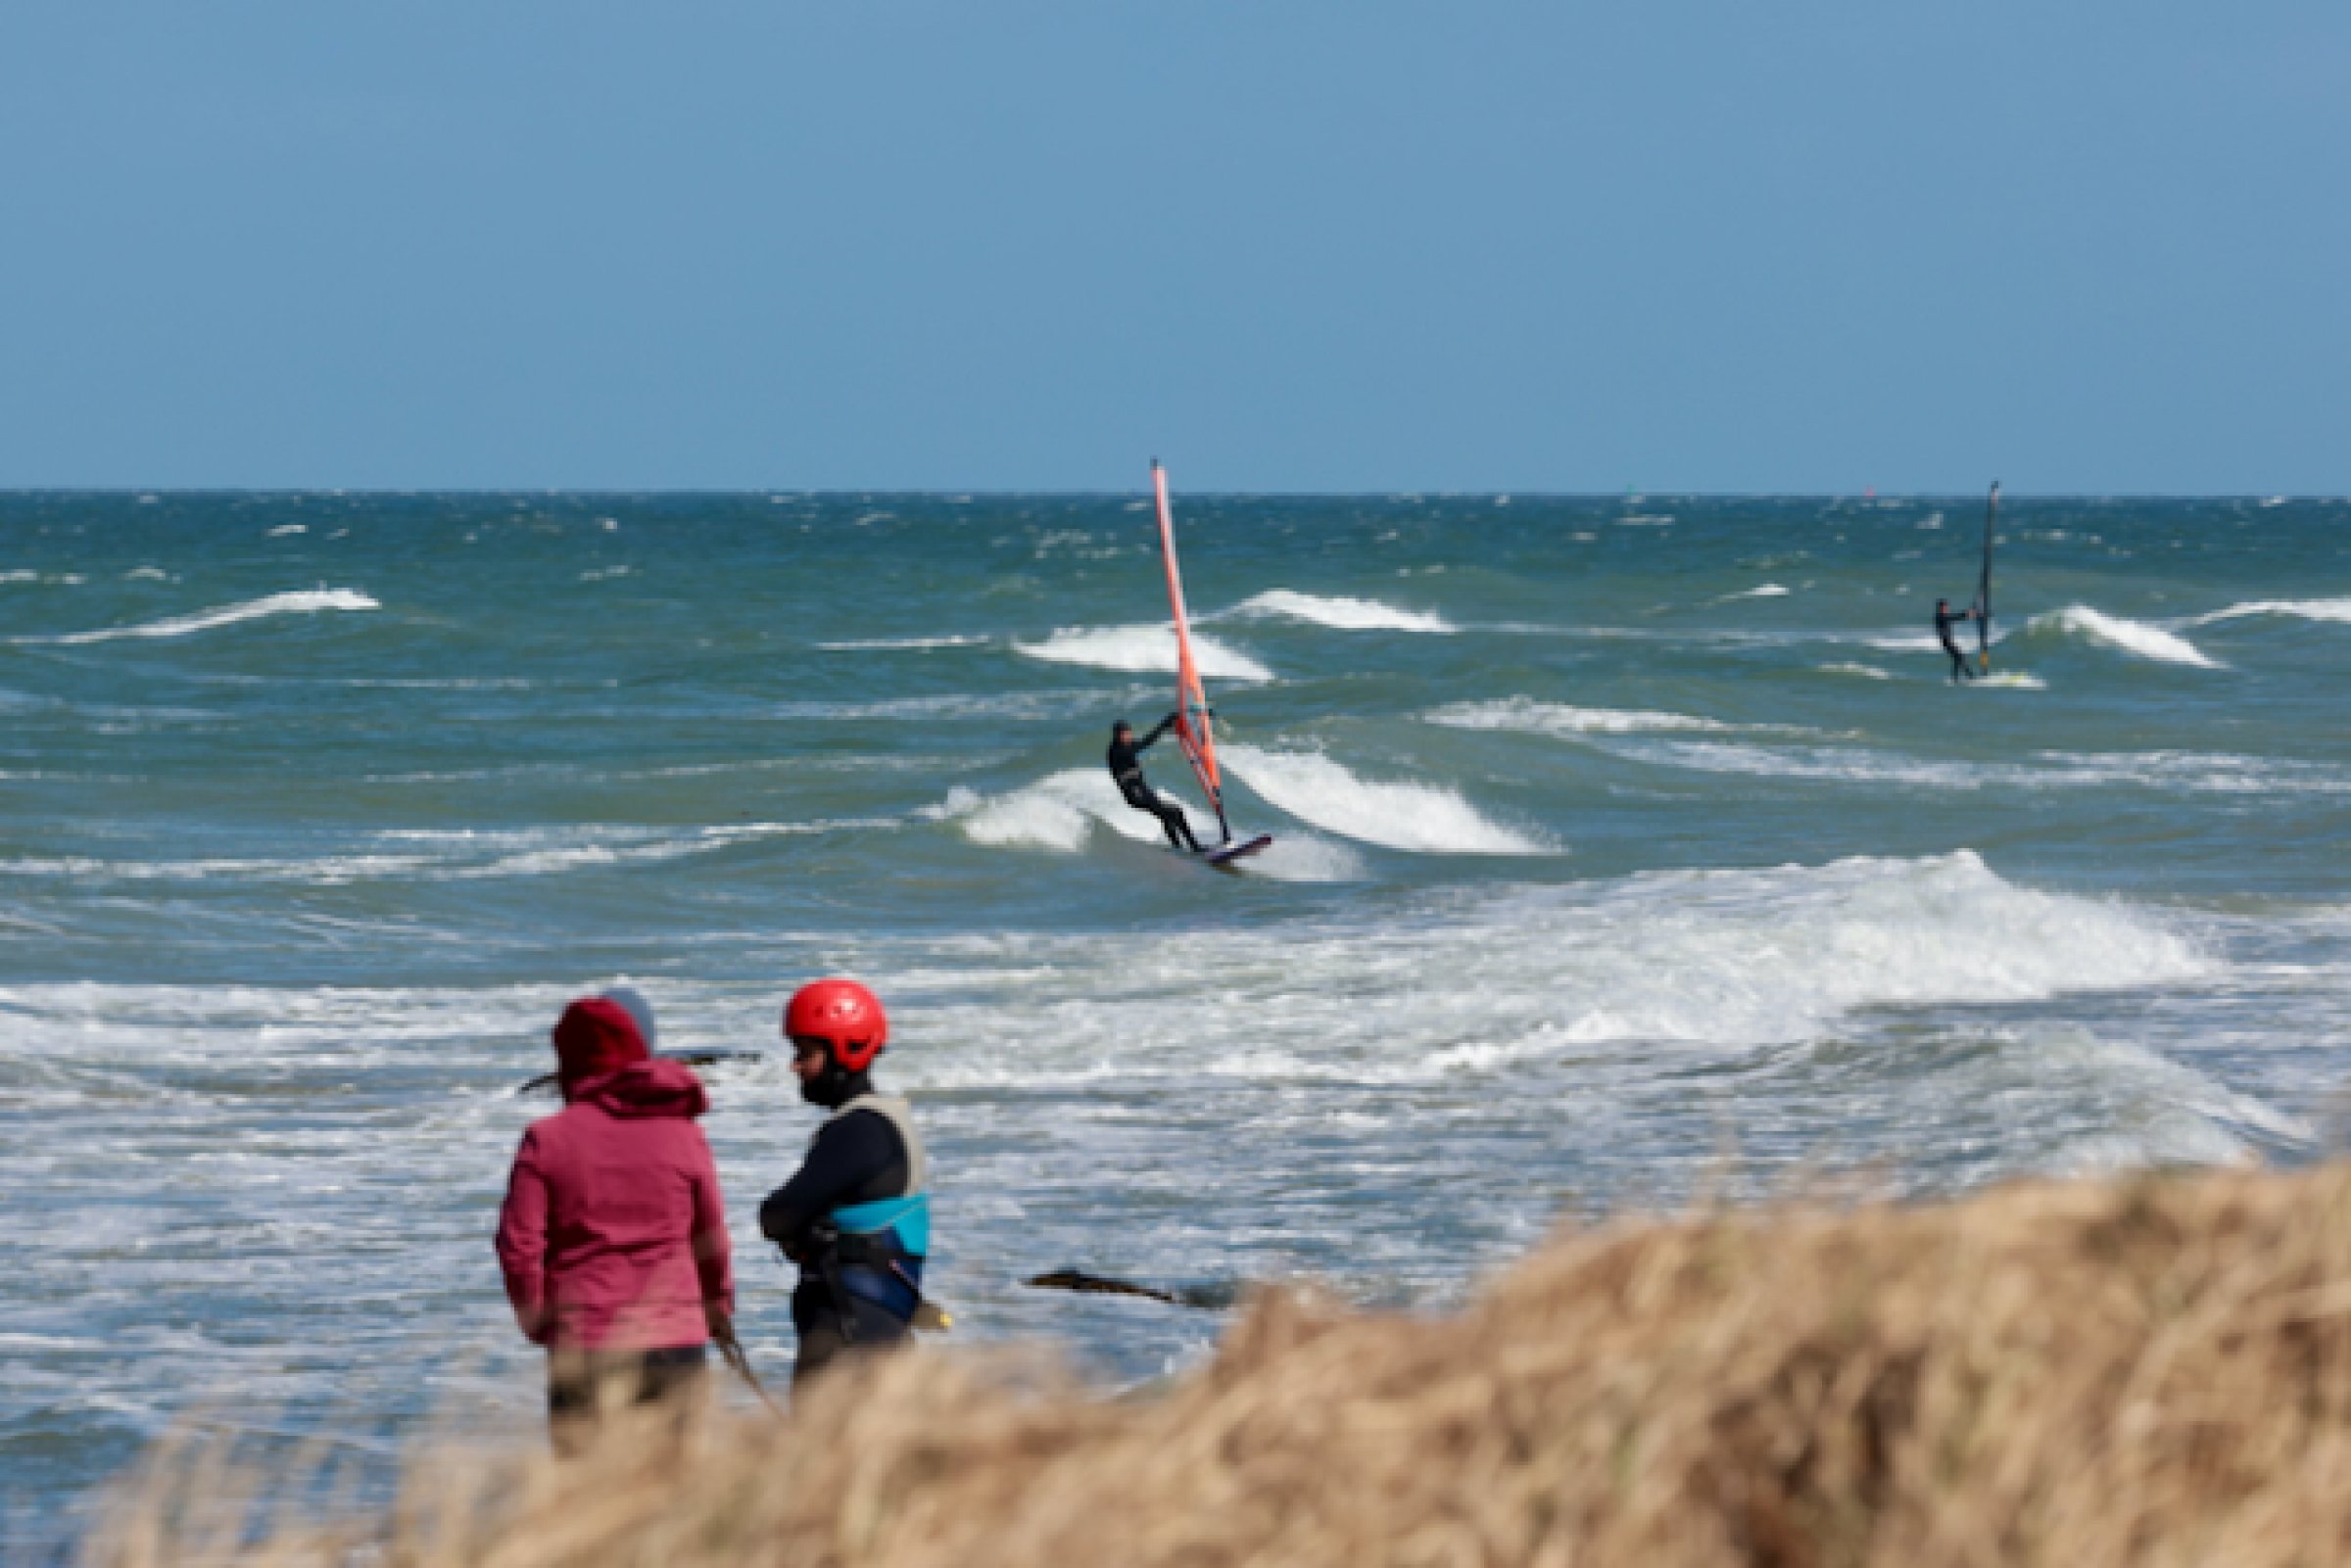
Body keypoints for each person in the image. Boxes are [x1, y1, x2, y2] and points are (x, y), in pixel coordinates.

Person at [496, 994, 735, 1452]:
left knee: (588, 1502)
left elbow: (519, 1248)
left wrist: (539, 1322)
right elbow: (711, 1238)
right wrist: (716, 1310)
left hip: (584, 1341)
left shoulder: (547, 1139)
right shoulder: (685, 1134)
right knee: (672, 1494)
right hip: (675, 1341)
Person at [759, 978, 932, 1385]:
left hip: (851, 1332)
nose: (795, 1066)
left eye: (805, 1053)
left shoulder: (860, 1129)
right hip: (878, 1324)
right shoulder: (885, 1121)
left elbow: (777, 1216)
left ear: (846, 1050)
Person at [1107, 714, 1201, 852]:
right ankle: (1196, 848)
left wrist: (1165, 725)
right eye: (1124, 734)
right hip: (1136, 795)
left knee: (1166, 816)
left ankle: (1178, 849)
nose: (1128, 736)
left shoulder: (1126, 745)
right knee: (1176, 812)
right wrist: (1164, 724)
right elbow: (1144, 743)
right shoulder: (1116, 751)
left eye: (1128, 733)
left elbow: (1147, 741)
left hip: (1143, 792)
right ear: (1117, 736)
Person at [1934, 598, 1982, 683]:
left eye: (1947, 607)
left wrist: (1968, 614)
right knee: (1960, 658)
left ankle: (1955, 679)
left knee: (1957, 659)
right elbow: (1953, 617)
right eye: (1944, 608)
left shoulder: (1944, 616)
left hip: (1949, 641)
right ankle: (1972, 677)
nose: (1946, 609)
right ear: (1940, 608)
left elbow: (1953, 617)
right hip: (1946, 642)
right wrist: (1966, 614)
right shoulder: (1940, 616)